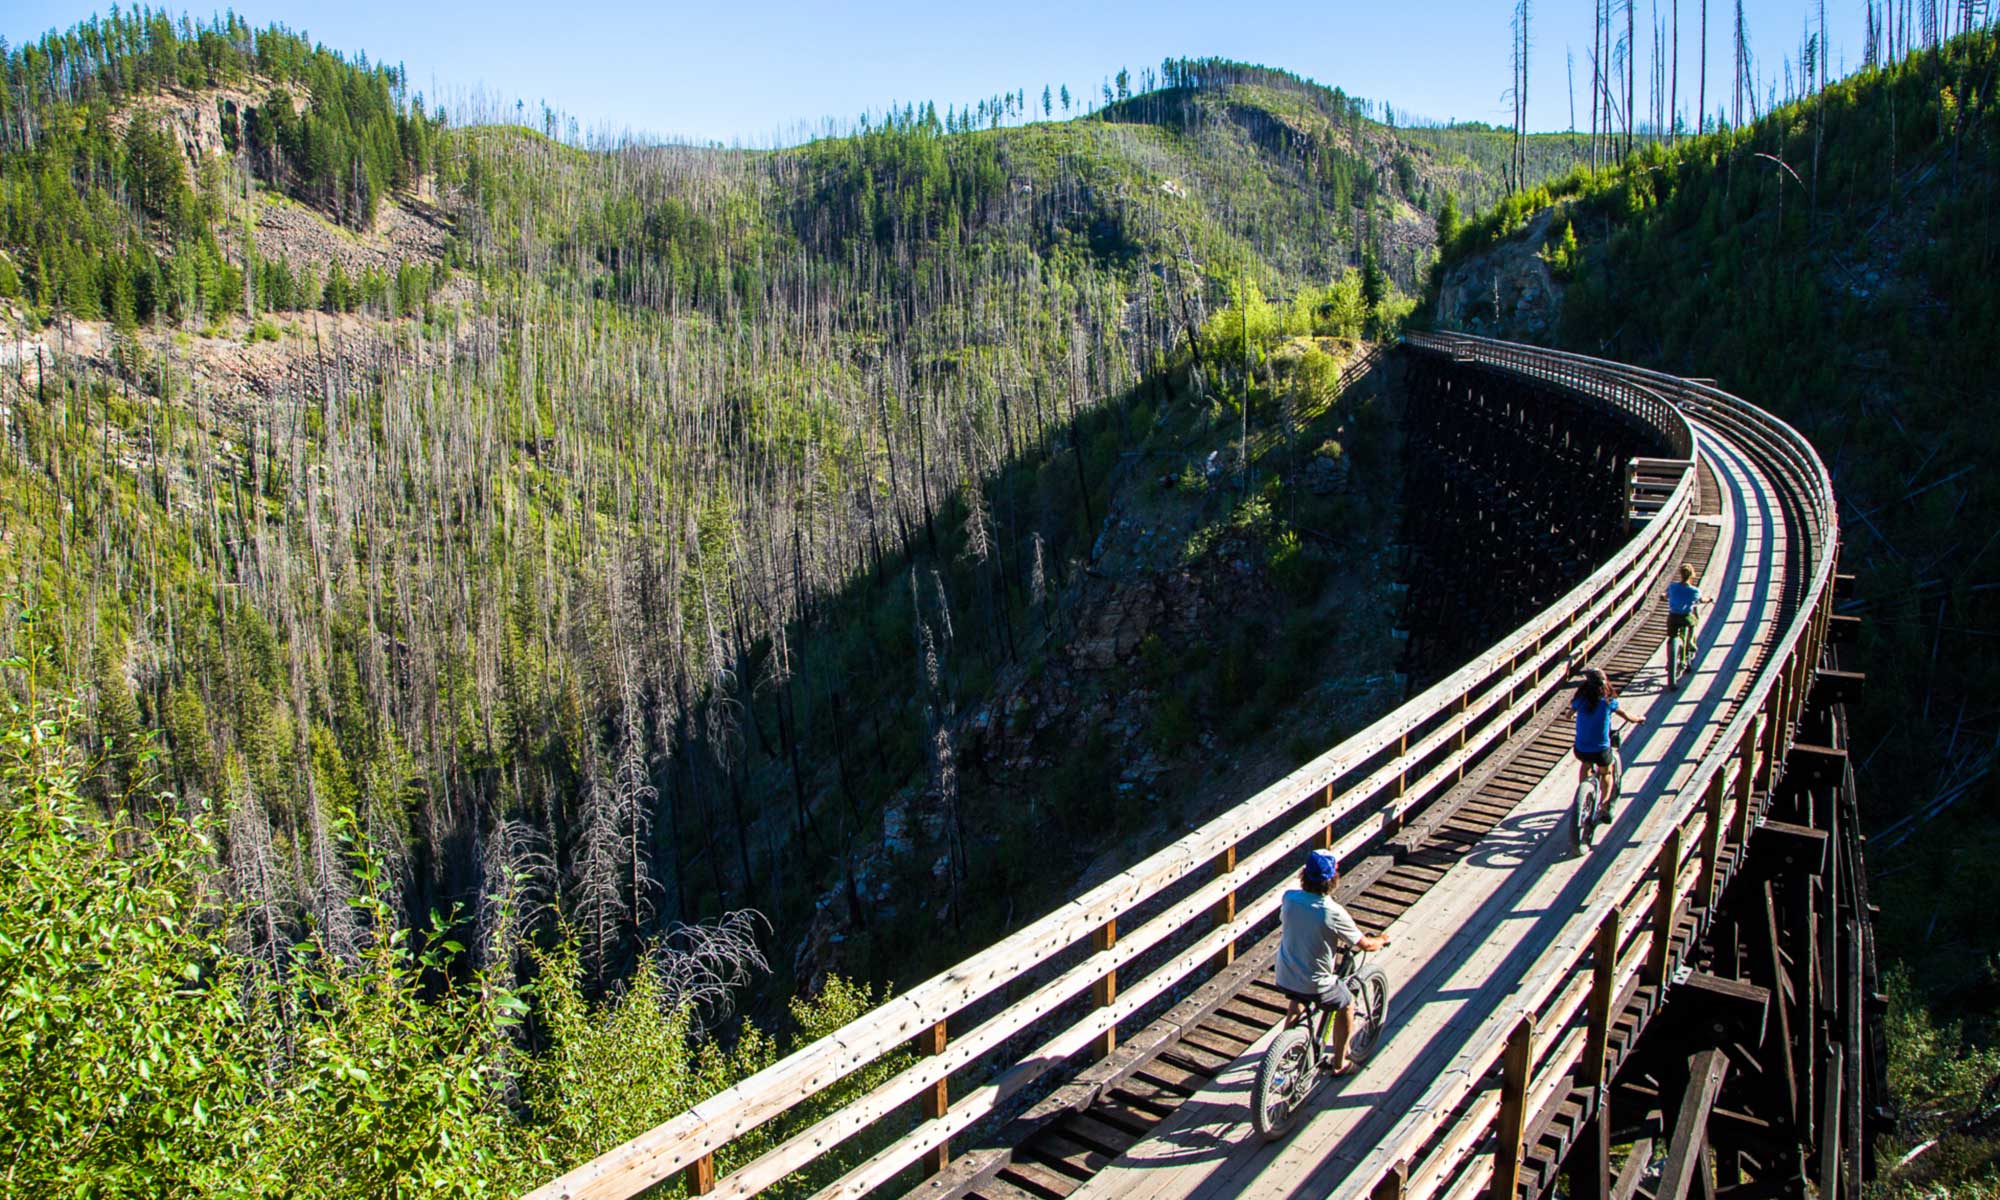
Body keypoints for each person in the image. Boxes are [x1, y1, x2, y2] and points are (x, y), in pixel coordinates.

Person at [1275, 849, 1391, 1074]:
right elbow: (1365, 945)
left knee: (1298, 999)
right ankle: (1340, 1064)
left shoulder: (1289, 899)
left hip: (1286, 975)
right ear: (1333, 879)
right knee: (1347, 1003)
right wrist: (1382, 940)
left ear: (1304, 876)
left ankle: (1281, 1055)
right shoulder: (1333, 912)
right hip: (1315, 983)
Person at [1572, 666, 1641, 819]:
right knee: (1606, 772)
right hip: (1601, 749)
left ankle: (1582, 795)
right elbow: (1627, 716)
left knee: (1586, 763)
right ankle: (1604, 805)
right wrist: (1638, 719)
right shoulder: (1609, 702)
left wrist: (1570, 715)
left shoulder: (1580, 700)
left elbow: (1569, 714)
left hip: (1581, 748)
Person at [1664, 564, 1704, 685]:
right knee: (1694, 622)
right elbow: (1700, 600)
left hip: (1673, 617)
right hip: (1685, 617)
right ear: (1692, 575)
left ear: (1680, 574)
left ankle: (1669, 661)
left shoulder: (1672, 586)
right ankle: (1691, 641)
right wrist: (1709, 599)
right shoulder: (1694, 591)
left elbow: (1665, 595)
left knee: (1671, 638)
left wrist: (1664, 597)